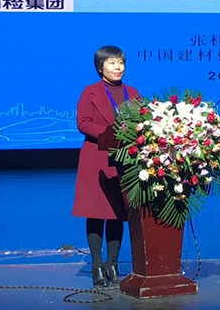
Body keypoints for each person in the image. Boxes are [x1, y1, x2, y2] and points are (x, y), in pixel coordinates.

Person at [72, 46, 140, 287]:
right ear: (100, 68)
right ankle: (96, 266)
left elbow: (140, 121)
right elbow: (83, 123)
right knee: (96, 212)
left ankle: (113, 264)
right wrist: (110, 134)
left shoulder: (132, 93)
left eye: (120, 62)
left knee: (117, 214)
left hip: (123, 160)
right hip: (97, 158)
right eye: (112, 63)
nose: (118, 67)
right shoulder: (90, 92)